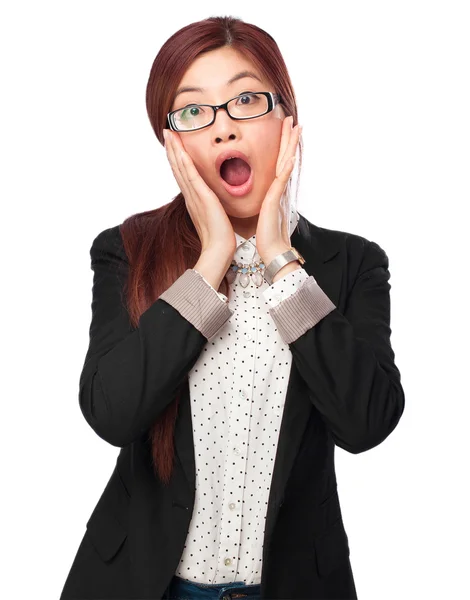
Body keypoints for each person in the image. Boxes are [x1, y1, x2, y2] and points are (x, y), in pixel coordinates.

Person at [59, 14, 405, 600]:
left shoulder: (353, 263)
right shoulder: (125, 250)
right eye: (194, 111)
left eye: (246, 99)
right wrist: (212, 259)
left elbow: (367, 423)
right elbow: (111, 413)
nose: (222, 129)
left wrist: (277, 259)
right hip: (143, 584)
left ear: (286, 118)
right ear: (173, 143)